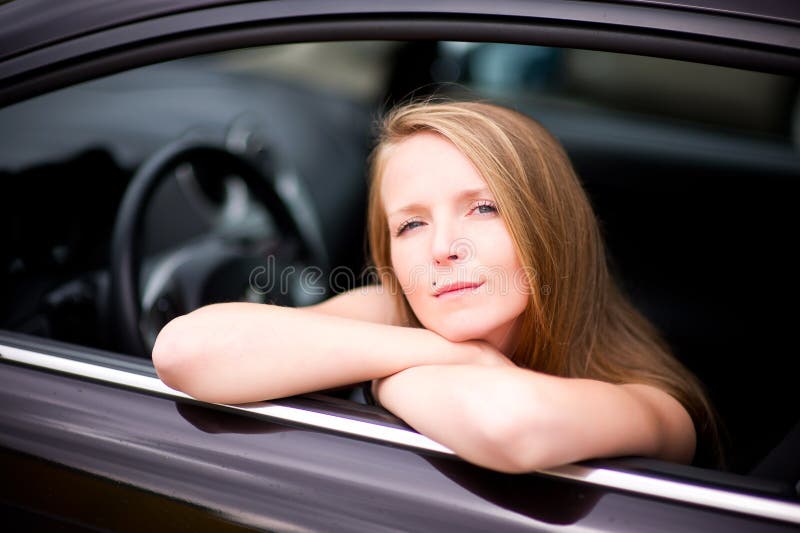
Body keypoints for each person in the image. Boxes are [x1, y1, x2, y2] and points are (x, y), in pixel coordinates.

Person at [152, 99, 721, 473]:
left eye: (482, 208)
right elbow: (185, 350)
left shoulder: (659, 409)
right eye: (412, 223)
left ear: (550, 227)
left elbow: (507, 424)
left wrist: (380, 376)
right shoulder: (397, 313)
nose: (442, 247)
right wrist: (442, 354)